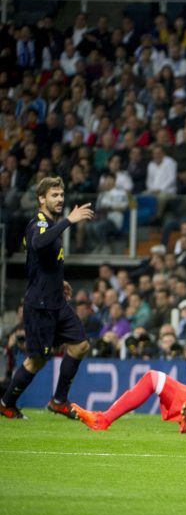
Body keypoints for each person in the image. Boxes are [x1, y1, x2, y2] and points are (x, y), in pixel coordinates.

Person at [1, 177, 94, 419]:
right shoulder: (38, 224)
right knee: (37, 360)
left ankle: (59, 400)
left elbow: (38, 260)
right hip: (40, 305)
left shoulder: (50, 224)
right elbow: (38, 243)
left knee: (81, 345)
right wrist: (69, 221)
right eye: (54, 195)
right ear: (41, 199)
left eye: (62, 195)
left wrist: (57, 281)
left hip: (56, 302)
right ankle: (6, 403)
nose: (60, 199)